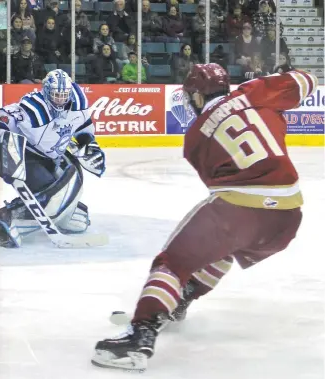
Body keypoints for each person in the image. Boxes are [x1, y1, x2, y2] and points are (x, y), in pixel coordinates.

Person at [91, 63, 318, 372]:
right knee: (223, 249)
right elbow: (308, 79)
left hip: (240, 210)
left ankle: (139, 336)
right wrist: (281, 76)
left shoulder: (195, 138)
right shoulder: (256, 91)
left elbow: (221, 184)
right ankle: (184, 297)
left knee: (172, 262)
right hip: (288, 216)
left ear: (197, 97)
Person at [0, 69, 105, 248]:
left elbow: (83, 126)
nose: (61, 100)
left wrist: (87, 143)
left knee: (75, 219)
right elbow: (4, 117)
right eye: (56, 95)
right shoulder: (34, 109)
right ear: (46, 92)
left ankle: (56, 211)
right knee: (51, 198)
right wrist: (3, 140)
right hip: (27, 155)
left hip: (51, 156)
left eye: (64, 95)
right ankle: (8, 216)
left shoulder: (77, 100)